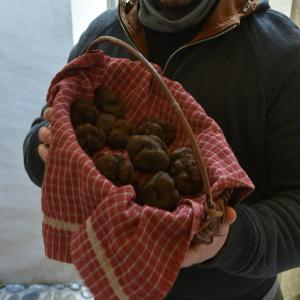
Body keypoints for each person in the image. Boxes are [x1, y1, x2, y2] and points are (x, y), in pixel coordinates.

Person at [23, 0, 300, 299]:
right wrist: (47, 153)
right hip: (116, 289)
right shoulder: (103, 36)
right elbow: (42, 129)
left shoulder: (280, 51)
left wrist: (229, 240)